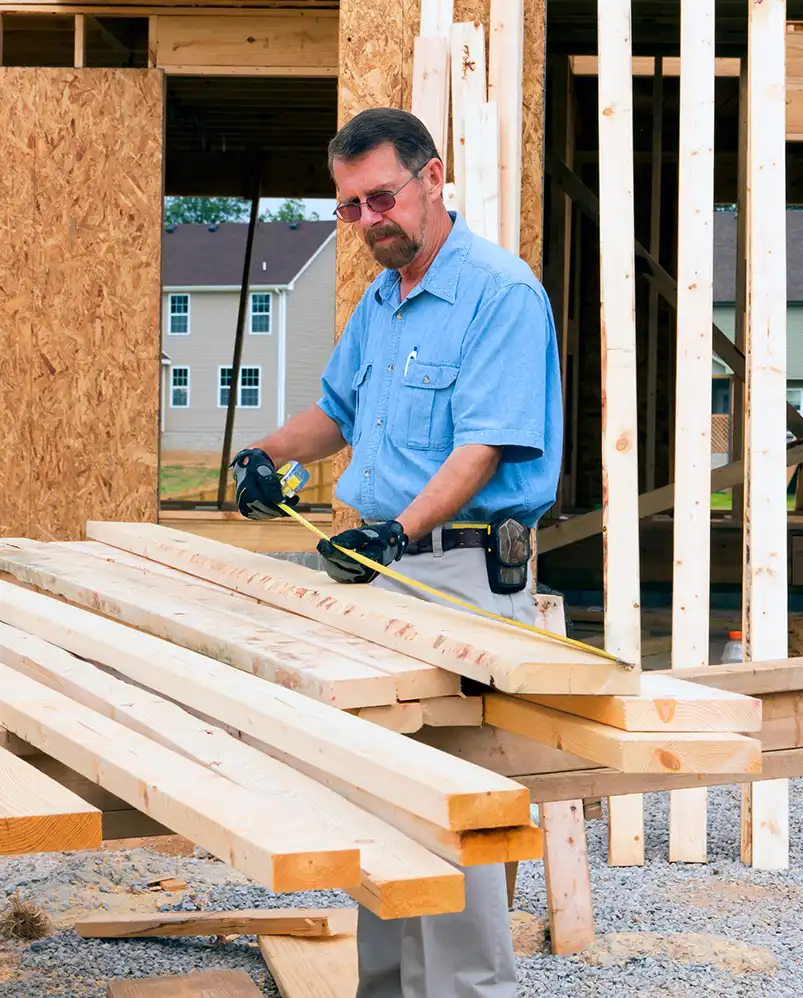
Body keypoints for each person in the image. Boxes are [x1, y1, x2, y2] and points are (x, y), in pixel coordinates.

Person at [231, 107, 562, 998]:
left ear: (433, 178)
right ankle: (383, 989)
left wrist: (397, 531)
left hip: (455, 576)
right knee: (377, 797)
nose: (369, 220)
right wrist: (265, 453)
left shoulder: (500, 293)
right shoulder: (382, 303)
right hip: (379, 574)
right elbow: (334, 415)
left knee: (455, 808)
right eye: (350, 207)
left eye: (381, 197)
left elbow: (483, 448)